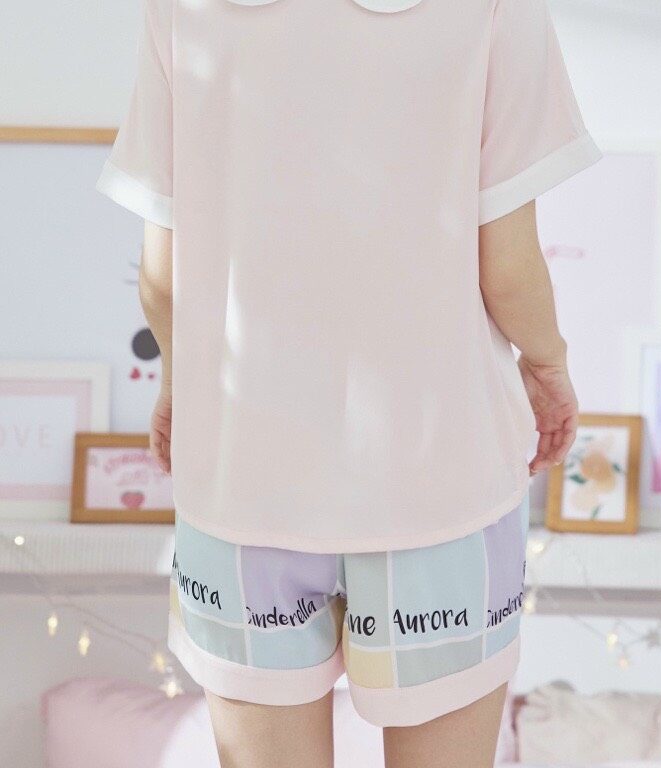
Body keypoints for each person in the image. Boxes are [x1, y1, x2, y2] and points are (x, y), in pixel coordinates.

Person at [96, 0, 601, 765]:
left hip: (243, 490)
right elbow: (508, 266)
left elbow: (163, 277)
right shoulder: (494, 9)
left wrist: (178, 382)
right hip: (442, 490)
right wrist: (548, 363)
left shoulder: (183, 9)